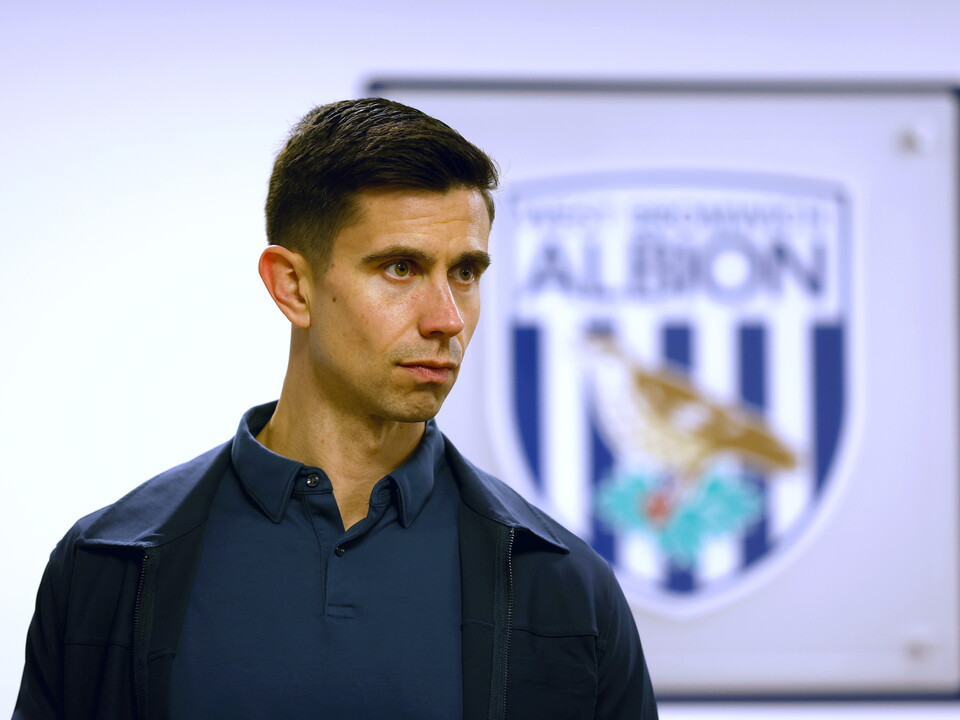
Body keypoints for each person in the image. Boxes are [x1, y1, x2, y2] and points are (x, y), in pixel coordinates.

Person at [14, 98, 658, 720]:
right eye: (401, 268)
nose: (448, 319)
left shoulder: (569, 588)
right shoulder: (105, 565)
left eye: (465, 272)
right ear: (292, 285)